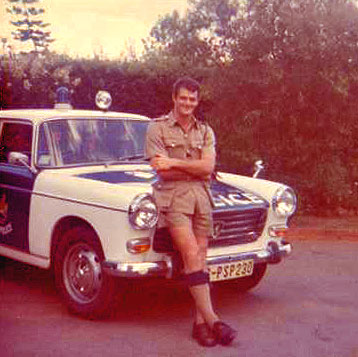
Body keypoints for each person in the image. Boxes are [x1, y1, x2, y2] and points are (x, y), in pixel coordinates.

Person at [145, 77, 237, 347]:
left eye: (192, 99)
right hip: (173, 198)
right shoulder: (157, 128)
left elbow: (207, 168)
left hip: (201, 196)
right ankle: (214, 320)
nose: (187, 103)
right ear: (174, 97)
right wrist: (189, 165)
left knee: (201, 257)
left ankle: (200, 325)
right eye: (183, 98)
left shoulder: (205, 131)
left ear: (197, 101)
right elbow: (160, 170)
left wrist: (174, 161)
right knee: (190, 253)